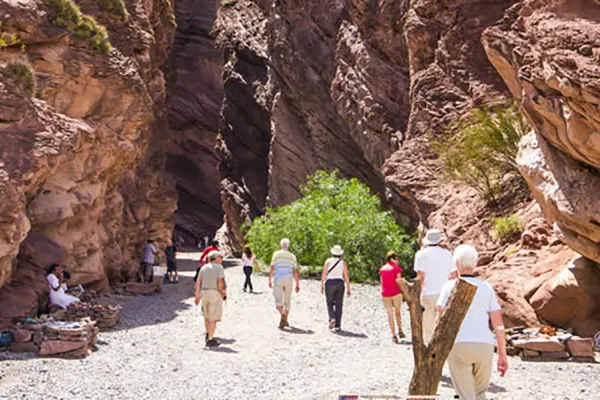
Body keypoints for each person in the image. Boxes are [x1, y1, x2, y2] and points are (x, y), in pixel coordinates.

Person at [437, 244, 508, 400]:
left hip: (458, 344)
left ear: (456, 264)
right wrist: (502, 353)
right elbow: (498, 325)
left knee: (465, 396)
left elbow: (440, 318)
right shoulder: (486, 288)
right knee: (480, 394)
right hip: (485, 346)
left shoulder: (449, 287)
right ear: (475, 264)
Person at [414, 229, 457, 344]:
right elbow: (454, 276)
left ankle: (428, 347)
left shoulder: (420, 254)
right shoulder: (447, 254)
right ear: (439, 241)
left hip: (427, 293)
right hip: (443, 293)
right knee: (442, 322)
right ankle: (442, 346)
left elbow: (420, 277)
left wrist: (418, 295)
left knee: (427, 324)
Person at [195, 250, 227, 347]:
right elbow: (220, 281)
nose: (221, 259)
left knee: (207, 316)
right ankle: (210, 339)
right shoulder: (219, 268)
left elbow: (198, 281)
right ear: (216, 258)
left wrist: (197, 295)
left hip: (204, 292)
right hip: (215, 293)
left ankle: (207, 333)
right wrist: (222, 293)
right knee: (214, 317)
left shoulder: (204, 267)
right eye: (220, 258)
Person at [268, 238, 300, 329]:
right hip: (289, 279)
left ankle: (283, 315)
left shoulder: (276, 254)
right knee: (287, 300)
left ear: (281, 245)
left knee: (278, 299)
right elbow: (296, 271)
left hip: (278, 278)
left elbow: (272, 268)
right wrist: (297, 284)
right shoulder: (292, 256)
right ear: (288, 246)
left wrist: (269, 280)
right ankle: (286, 319)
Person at [320, 245, 351, 331]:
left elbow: (324, 273)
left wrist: (322, 285)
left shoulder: (328, 261)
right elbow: (346, 275)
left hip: (330, 282)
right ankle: (338, 325)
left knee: (329, 302)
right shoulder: (343, 262)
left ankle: (332, 318)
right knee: (339, 304)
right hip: (340, 282)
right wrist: (348, 287)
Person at [380, 251, 405, 343]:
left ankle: (393, 335)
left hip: (385, 293)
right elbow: (399, 281)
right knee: (397, 312)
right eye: (396, 259)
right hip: (396, 292)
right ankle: (400, 329)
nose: (397, 261)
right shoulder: (397, 269)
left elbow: (382, 282)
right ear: (392, 259)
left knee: (390, 314)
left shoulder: (382, 269)